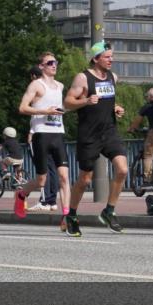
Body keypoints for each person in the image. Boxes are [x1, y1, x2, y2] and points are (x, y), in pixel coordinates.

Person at [62, 41, 128, 237]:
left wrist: (116, 108)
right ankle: (71, 216)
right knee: (85, 180)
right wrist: (86, 100)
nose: (111, 60)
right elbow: (67, 102)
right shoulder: (83, 78)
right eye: (107, 57)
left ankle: (109, 211)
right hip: (89, 134)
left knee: (122, 169)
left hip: (109, 132)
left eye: (112, 56)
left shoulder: (112, 77)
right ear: (96, 58)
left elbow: (107, 101)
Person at [17, 55, 70, 221]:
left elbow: (64, 106)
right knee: (42, 180)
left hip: (58, 133)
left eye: (55, 62)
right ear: (41, 66)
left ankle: (67, 216)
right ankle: (22, 194)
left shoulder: (60, 86)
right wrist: (45, 111)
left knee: (64, 176)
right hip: (41, 133)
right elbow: (22, 108)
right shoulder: (36, 85)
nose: (54, 65)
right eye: (50, 63)